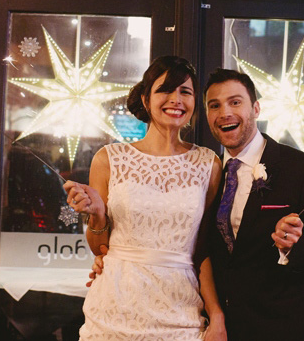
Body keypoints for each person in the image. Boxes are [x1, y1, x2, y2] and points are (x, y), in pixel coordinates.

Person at [63, 56, 226, 340]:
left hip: (180, 310)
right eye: (165, 90)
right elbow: (100, 247)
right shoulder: (109, 159)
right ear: (145, 98)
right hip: (115, 306)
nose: (176, 99)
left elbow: (204, 249)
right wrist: (98, 214)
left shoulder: (208, 164)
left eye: (185, 92)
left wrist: (216, 315)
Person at [203, 68, 304, 341]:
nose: (224, 113)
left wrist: (294, 246)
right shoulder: (207, 172)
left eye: (235, 102)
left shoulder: (302, 169)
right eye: (214, 105)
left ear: (255, 108)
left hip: (277, 328)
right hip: (217, 328)